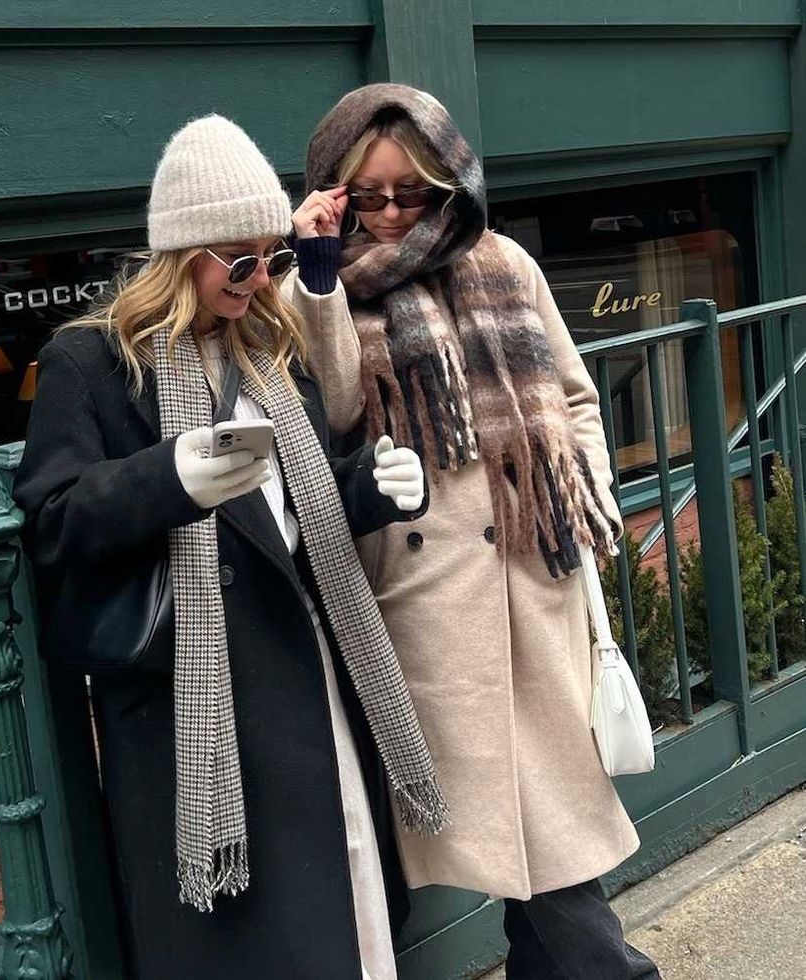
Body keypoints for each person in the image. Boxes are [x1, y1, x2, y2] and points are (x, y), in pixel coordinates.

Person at [12, 114, 448, 980]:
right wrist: (166, 477)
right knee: (253, 945)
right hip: (194, 701)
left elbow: (299, 508)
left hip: (309, 676)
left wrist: (375, 486)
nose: (259, 280)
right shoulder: (91, 363)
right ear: (181, 256)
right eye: (238, 262)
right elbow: (53, 521)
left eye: (270, 257)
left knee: (344, 905)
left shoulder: (268, 351)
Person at [289, 83, 663, 980]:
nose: (389, 212)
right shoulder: (324, 287)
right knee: (529, 828)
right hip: (429, 598)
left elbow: (573, 394)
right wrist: (318, 273)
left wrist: (585, 492)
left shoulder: (503, 262)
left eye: (409, 192)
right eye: (367, 194)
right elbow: (335, 410)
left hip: (536, 569)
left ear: (448, 183)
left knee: (547, 827)